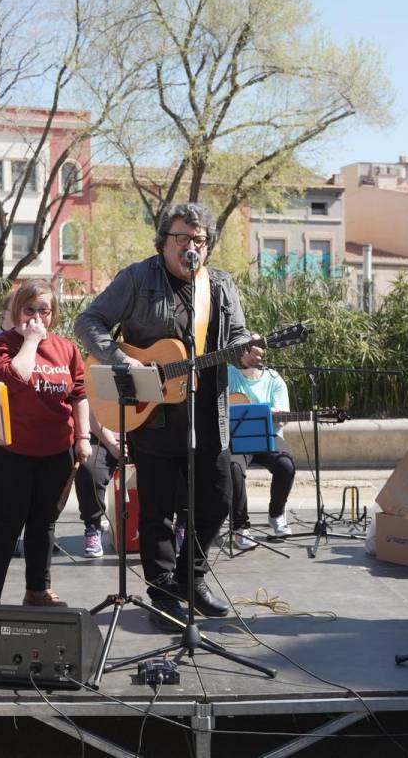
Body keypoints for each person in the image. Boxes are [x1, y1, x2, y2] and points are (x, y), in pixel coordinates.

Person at [75, 201, 263, 630]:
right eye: (181, 239)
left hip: (207, 412)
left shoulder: (219, 285)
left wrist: (247, 347)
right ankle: (162, 592)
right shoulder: (139, 278)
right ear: (164, 242)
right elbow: (89, 321)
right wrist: (122, 360)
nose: (190, 247)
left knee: (218, 498)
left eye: (199, 240)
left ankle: (190, 576)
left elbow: (235, 335)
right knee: (156, 507)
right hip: (152, 413)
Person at [0, 280, 91, 624]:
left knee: (44, 524)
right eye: (30, 310)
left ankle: (37, 591)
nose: (38, 317)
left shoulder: (67, 349)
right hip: (7, 451)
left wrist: (83, 437)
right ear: (16, 311)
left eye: (45, 310)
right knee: (5, 524)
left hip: (55, 450)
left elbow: (79, 395)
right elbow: (17, 377)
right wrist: (30, 341)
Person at [227, 364, 296, 549]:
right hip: (237, 438)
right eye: (249, 348)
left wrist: (273, 414)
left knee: (286, 465)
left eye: (259, 349)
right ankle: (240, 527)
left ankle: (276, 514)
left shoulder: (274, 380)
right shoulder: (228, 374)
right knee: (233, 468)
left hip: (269, 436)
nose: (255, 353)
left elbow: (283, 419)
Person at [71, 408, 120, 558]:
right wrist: (112, 444)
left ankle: (181, 525)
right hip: (101, 437)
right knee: (89, 468)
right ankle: (93, 527)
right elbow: (90, 414)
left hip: (146, 435)